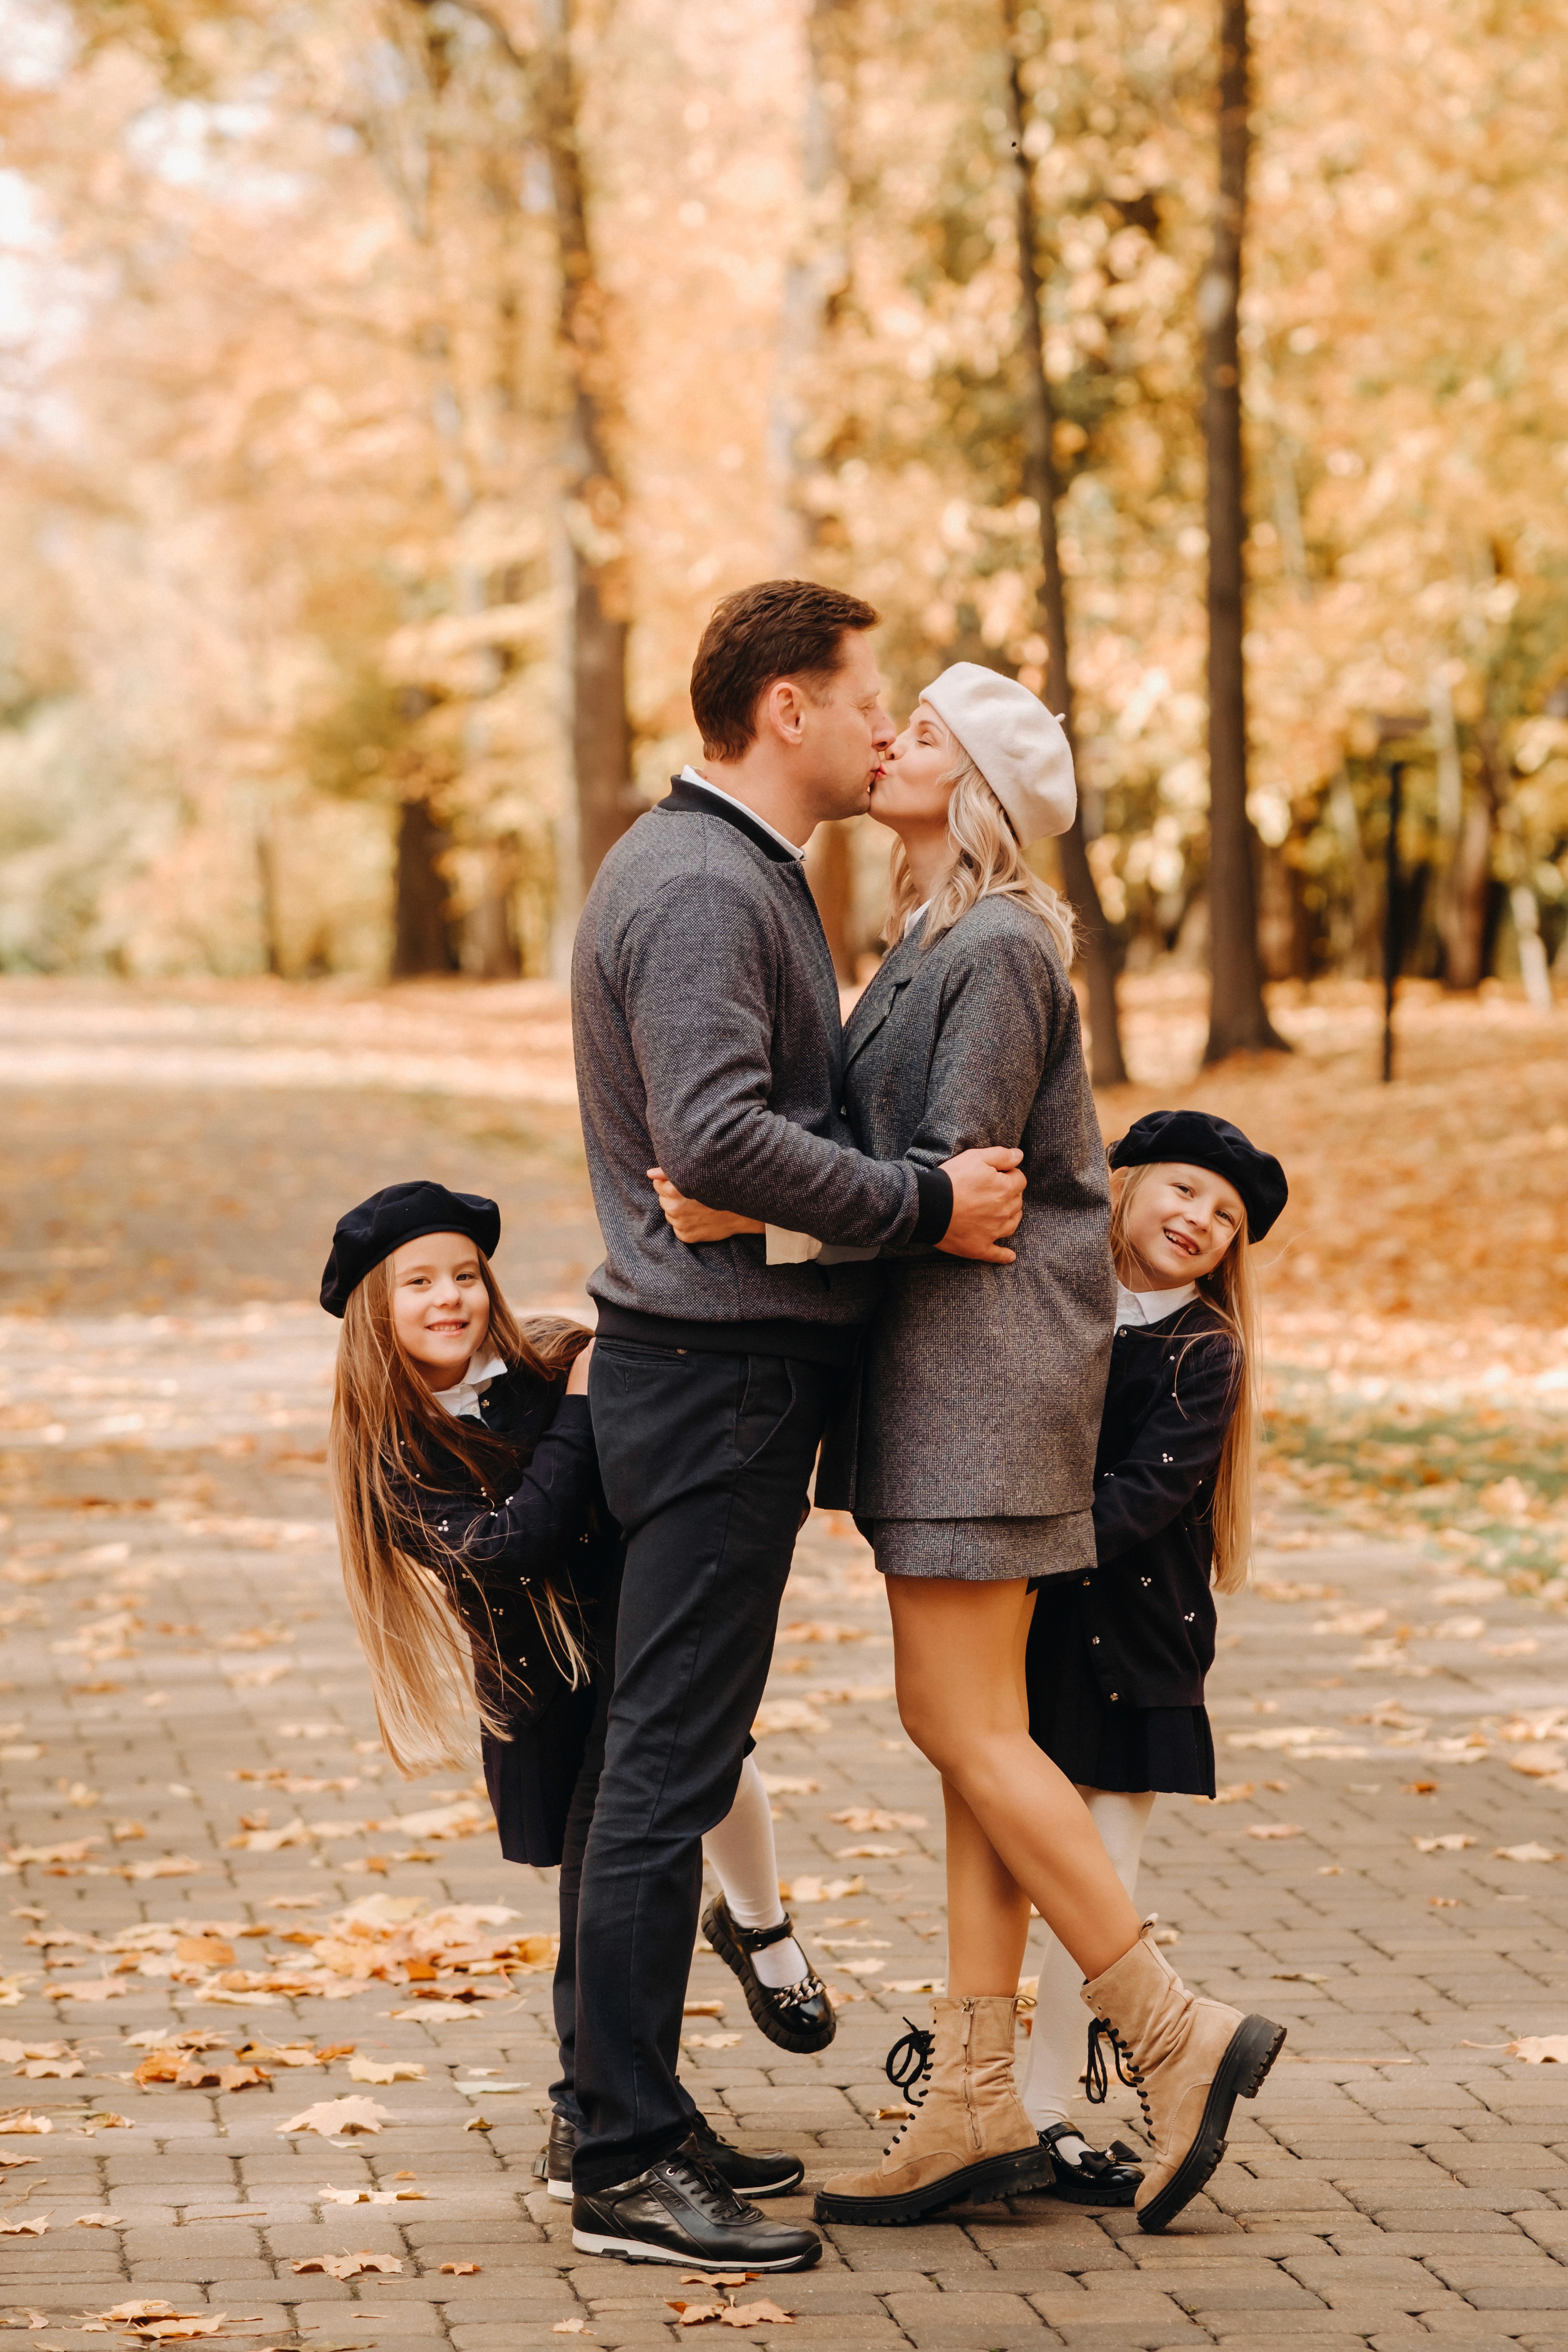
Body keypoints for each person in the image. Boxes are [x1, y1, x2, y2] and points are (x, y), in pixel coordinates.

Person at [654, 666, 1286, 2236]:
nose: (889, 743)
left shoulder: (998, 946)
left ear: (984, 790)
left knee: (955, 1719)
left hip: (986, 1381)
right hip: (946, 1381)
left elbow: (949, 1189)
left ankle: (1169, 2030)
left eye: (921, 733)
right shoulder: (929, 937)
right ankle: (974, 2100)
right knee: (973, 1745)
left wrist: (741, 1217)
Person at [568, 582, 1029, 2274]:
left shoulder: (713, 866)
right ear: (784, 709)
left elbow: (722, 1160)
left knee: (651, 1749)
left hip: (707, 1362)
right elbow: (714, 1135)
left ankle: (615, 2106)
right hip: (716, 1377)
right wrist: (918, 1200)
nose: (876, 724)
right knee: (665, 1764)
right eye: (861, 698)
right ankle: (620, 2156)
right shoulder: (704, 882)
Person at [319, 1179, 831, 2218]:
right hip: (546, 1694)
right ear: (375, 1312)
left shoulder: (551, 1358)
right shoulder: (394, 1453)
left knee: (656, 1867)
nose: (450, 1297)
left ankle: (641, 2107)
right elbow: (513, 1543)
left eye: (465, 1274)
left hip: (639, 1650)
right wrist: (589, 1405)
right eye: (417, 1283)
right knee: (601, 1896)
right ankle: (594, 2116)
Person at [1018, 1110, 1286, 2203]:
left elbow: (1138, 1500)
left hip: (1136, 1652)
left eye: (1223, 1219)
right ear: (1120, 1186)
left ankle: (1044, 2110)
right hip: (1028, 1638)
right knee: (1011, 1867)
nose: (1200, 1220)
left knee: (1097, 1887)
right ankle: (994, 2092)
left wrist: (1004, 1541)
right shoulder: (1048, 1308)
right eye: (1183, 1191)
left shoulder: (1202, 1352)